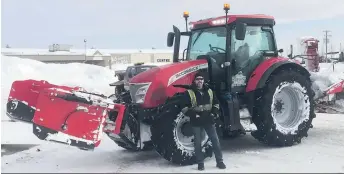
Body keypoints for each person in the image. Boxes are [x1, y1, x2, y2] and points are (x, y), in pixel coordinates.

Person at [181, 72, 226, 171]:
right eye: (197, 79)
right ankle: (200, 163)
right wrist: (194, 115)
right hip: (196, 121)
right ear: (194, 81)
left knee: (215, 141)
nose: (200, 81)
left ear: (203, 80)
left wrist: (213, 113)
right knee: (198, 144)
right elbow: (184, 108)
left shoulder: (210, 91)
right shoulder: (189, 93)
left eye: (201, 79)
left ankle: (220, 161)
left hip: (208, 120)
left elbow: (216, 104)